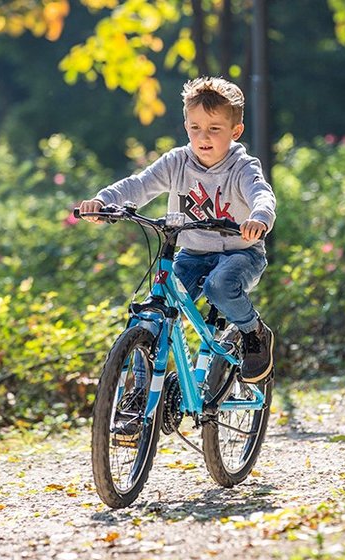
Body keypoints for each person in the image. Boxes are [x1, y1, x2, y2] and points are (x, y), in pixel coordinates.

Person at [77, 76, 276, 384]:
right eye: (195, 127)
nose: (203, 136)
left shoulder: (242, 167)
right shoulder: (177, 162)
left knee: (219, 286)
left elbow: (261, 194)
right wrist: (104, 201)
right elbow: (139, 185)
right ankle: (137, 399)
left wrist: (259, 217)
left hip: (240, 252)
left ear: (235, 132)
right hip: (192, 253)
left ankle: (254, 332)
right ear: (186, 127)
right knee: (151, 316)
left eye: (214, 129)